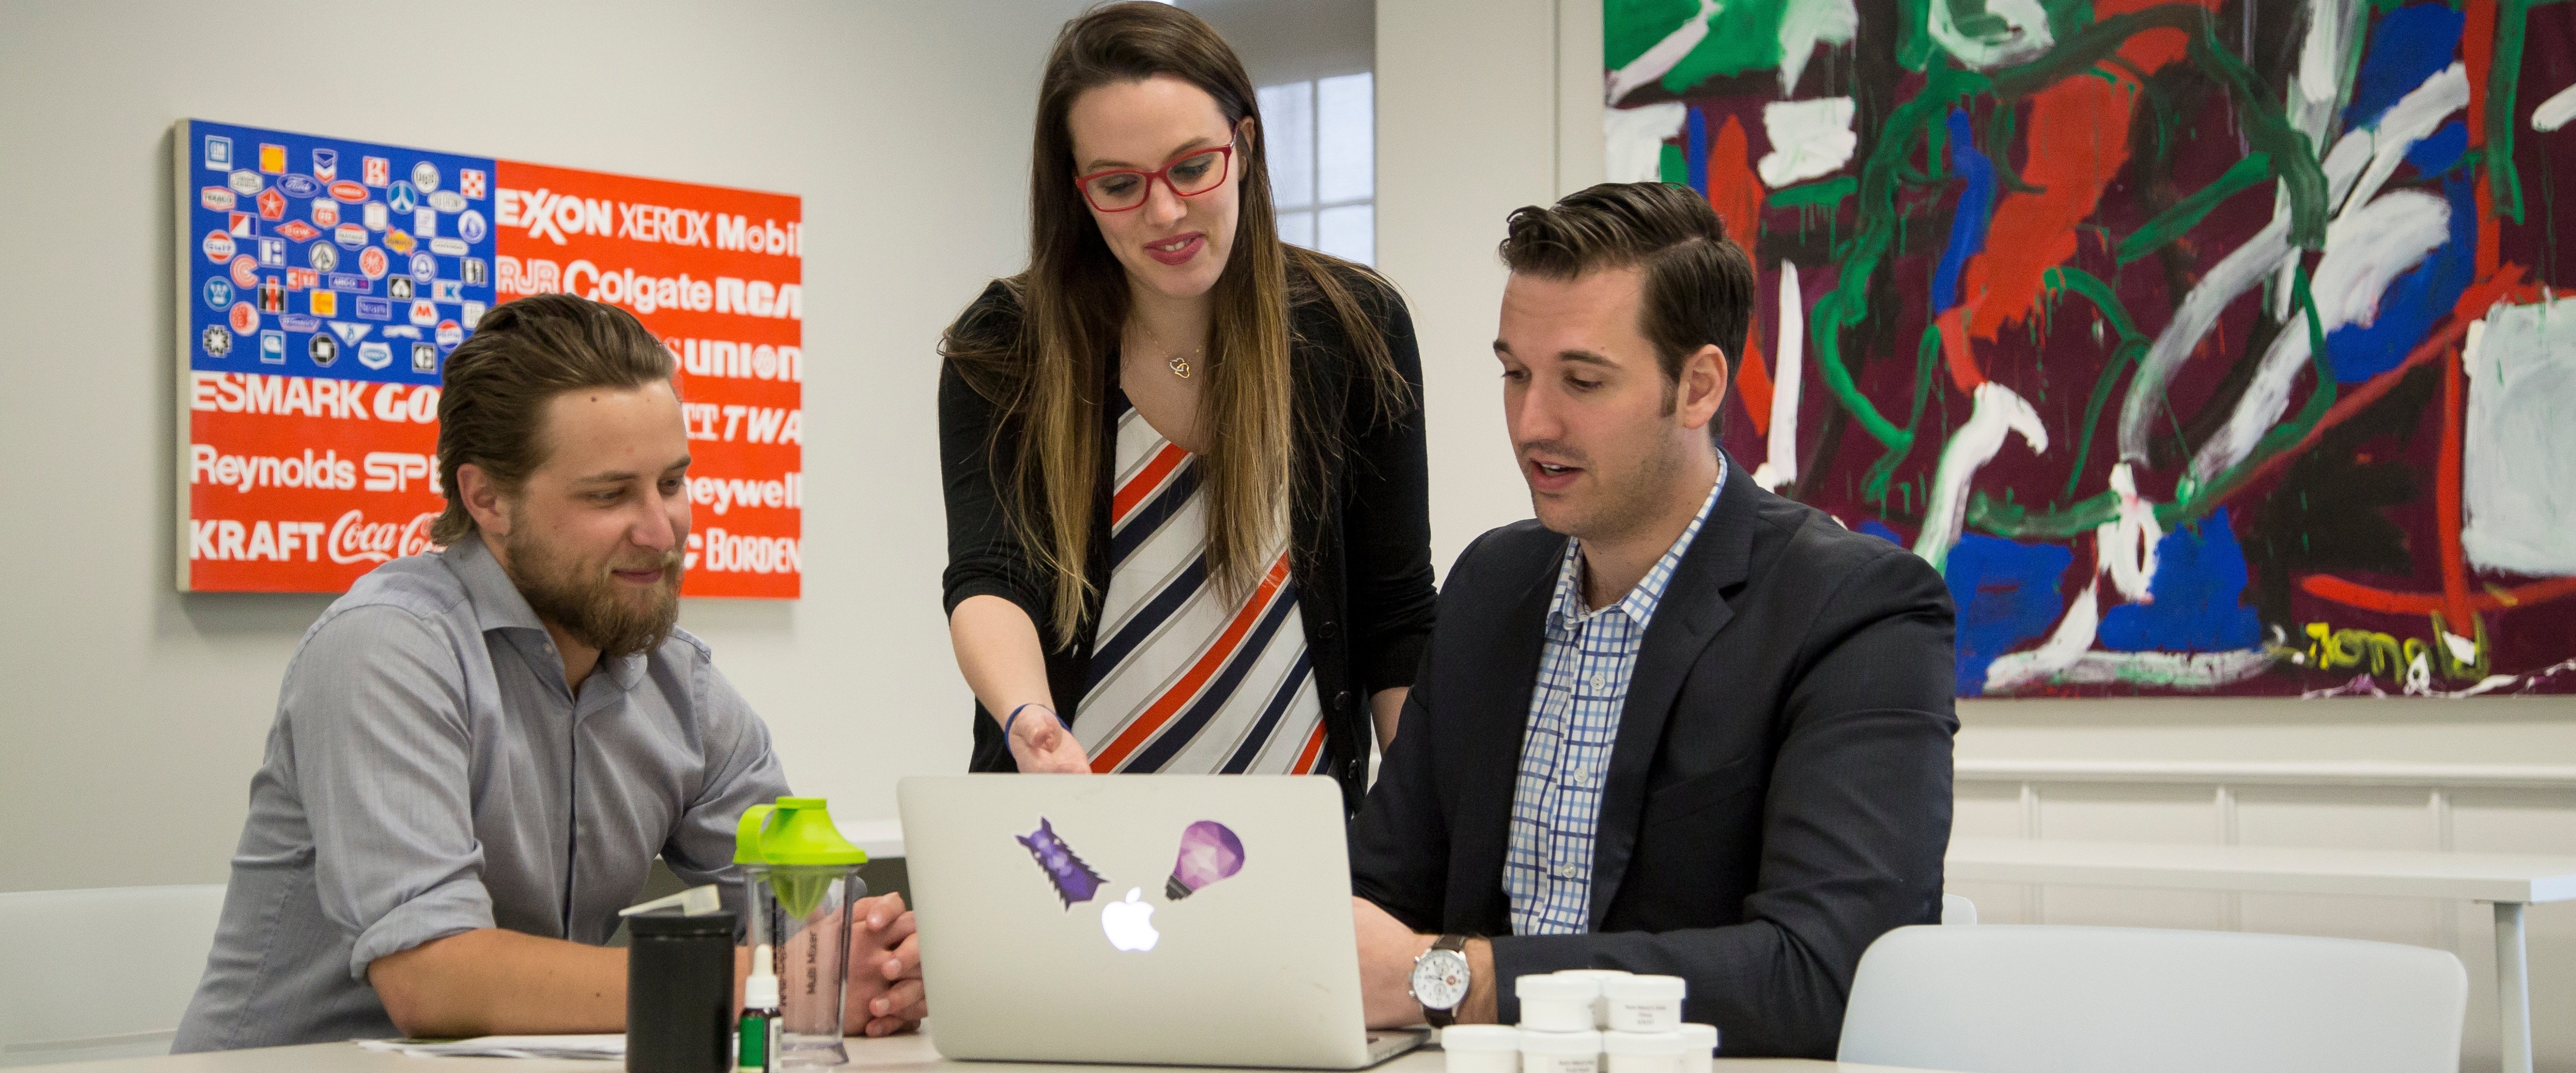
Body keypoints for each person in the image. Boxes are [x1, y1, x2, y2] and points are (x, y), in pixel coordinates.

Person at [175, 295, 924, 1050]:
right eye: (610, 494)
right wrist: (776, 985)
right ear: (488, 499)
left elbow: (810, 922)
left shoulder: (680, 686)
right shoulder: (386, 649)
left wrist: (884, 963)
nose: (662, 531)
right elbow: (434, 979)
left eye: (672, 483)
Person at [1345, 183, 1958, 1056]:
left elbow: (1828, 973)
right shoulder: (1493, 584)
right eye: (1515, 372)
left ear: (1700, 385)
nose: (1531, 422)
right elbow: (1383, 891)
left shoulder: (1858, 611)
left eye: (1582, 381)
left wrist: (1461, 979)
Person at [939, 1, 1435, 811]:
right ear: (1077, 190)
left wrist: (1424, 829)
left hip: (1295, 845)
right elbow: (990, 577)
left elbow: (1397, 616)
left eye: (1191, 167)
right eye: (1120, 185)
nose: (1164, 212)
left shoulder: (1354, 327)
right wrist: (1030, 719)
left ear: (1242, 147)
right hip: (1067, 842)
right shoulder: (1009, 344)